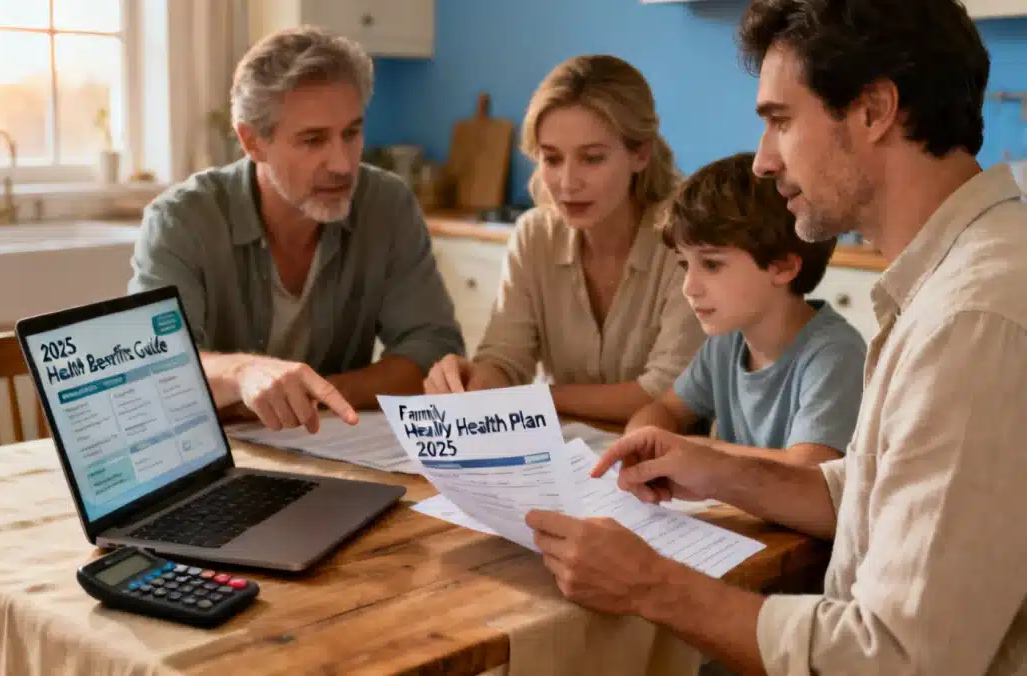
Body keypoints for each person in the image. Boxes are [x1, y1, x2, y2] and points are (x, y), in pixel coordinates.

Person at [525, 1, 1027, 674]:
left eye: (780, 121)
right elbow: (885, 496)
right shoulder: (960, 276)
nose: (763, 162)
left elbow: (898, 661)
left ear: (875, 111)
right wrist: (714, 467)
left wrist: (651, 585)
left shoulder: (971, 319)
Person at [128, 26, 463, 433]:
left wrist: (320, 393)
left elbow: (433, 352)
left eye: (351, 133)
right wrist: (244, 373)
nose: (342, 164)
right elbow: (156, 371)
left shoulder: (387, 206)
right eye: (313, 140)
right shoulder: (181, 221)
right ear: (252, 143)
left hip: (335, 448)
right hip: (221, 462)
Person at [423, 55, 704, 424]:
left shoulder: (685, 238)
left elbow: (664, 392)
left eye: (592, 159)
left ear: (640, 153)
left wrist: (531, 397)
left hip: (667, 461)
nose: (568, 183)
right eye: (552, 159)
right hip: (565, 456)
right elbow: (506, 359)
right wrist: (473, 382)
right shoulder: (534, 236)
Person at [626, 151, 866, 468]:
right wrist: (642, 439)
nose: (689, 287)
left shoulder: (835, 354)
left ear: (781, 267)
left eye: (711, 264)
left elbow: (808, 465)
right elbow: (664, 410)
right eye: (686, 265)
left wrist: (693, 450)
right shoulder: (727, 342)